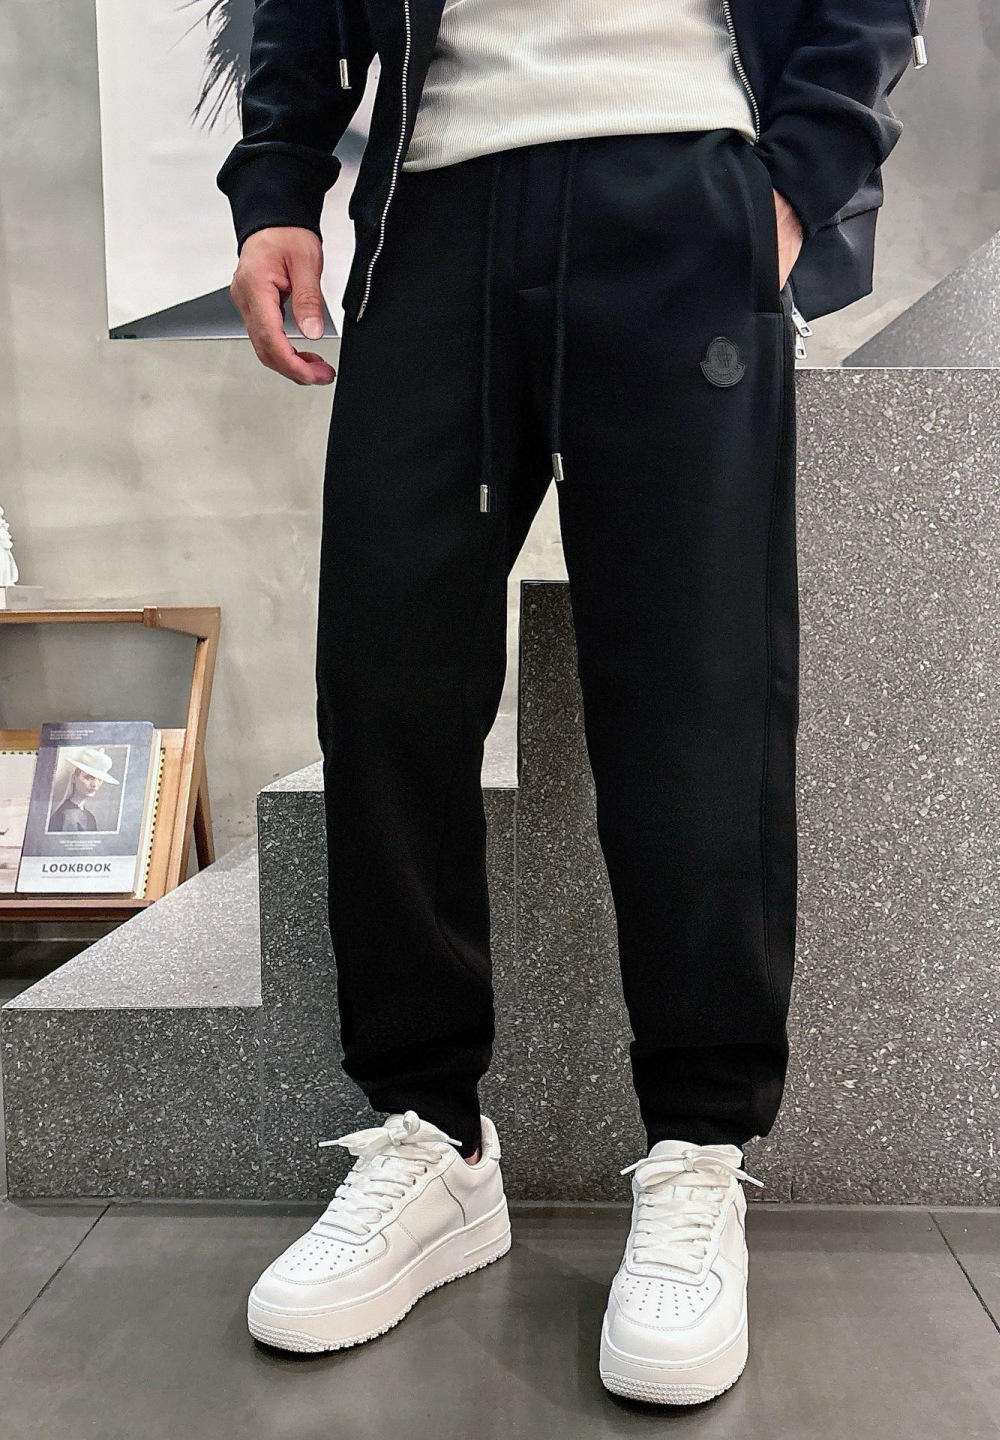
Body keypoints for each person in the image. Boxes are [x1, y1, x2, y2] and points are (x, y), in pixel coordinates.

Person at [218, 0, 926, 1403]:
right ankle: (431, 1138)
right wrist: (278, 184)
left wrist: (795, 185)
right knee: (387, 679)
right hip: (435, 205)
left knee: (696, 693)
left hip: (687, 190)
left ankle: (699, 1148)